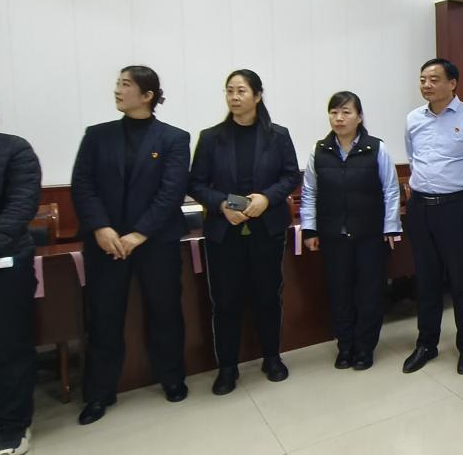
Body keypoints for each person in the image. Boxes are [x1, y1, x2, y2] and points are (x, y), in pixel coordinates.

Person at [70, 66, 191, 425]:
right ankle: (99, 393)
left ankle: (172, 378)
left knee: (165, 312)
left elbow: (171, 192)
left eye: (125, 85)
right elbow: (83, 185)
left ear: (147, 95)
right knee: (103, 318)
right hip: (105, 244)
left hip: (156, 243)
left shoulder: (174, 138)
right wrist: (101, 228)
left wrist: (138, 234)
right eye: (118, 84)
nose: (118, 90)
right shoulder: (97, 135)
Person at [189, 70, 301, 395]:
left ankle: (272, 358)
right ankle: (227, 368)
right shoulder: (211, 137)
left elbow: (290, 176)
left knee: (268, 296)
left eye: (241, 91)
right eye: (230, 91)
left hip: (267, 229)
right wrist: (221, 204)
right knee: (225, 301)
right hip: (224, 232)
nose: (234, 97)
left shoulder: (278, 135)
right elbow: (195, 183)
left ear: (257, 95)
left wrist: (267, 198)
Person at [402, 58, 463, 376]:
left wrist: (460, 196)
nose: (426, 85)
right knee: (426, 279)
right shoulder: (414, 119)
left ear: (452, 83)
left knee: (461, 279)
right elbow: (413, 158)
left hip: (456, 208)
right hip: (420, 208)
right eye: (422, 79)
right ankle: (426, 343)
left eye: (434, 79)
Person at [300, 92, 401, 371]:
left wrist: (390, 228)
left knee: (369, 294)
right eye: (334, 112)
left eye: (346, 112)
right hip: (333, 235)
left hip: (370, 234)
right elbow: (309, 192)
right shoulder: (319, 150)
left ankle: (365, 348)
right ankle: (345, 346)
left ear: (359, 117)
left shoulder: (376, 148)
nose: (339, 118)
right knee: (339, 292)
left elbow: (391, 190)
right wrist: (309, 229)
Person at [0, 96, 42, 455]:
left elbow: (22, 202)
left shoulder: (13, 149)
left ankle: (12, 425)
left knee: (10, 347)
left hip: (4, 262)